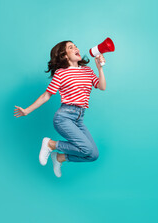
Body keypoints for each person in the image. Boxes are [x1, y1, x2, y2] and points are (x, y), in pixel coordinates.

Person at [14, 40, 106, 177]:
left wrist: (100, 68)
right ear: (64, 55)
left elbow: (102, 86)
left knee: (93, 155)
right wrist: (27, 111)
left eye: (75, 46)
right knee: (86, 148)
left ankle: (59, 158)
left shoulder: (87, 70)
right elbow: (46, 95)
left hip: (79, 119)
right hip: (64, 117)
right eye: (71, 47)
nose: (76, 48)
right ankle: (50, 144)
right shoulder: (61, 73)